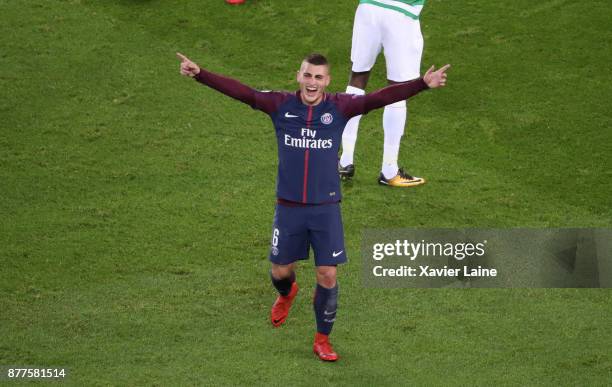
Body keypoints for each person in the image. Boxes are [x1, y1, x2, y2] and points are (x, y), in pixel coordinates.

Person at [177, 52, 449, 361]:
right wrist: (201, 74)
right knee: (280, 272)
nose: (312, 82)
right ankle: (287, 293)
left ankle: (322, 339)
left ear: (327, 81)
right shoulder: (280, 105)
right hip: (289, 208)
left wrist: (422, 84)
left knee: (327, 275)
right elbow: (244, 93)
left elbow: (379, 97)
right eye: (308, 75)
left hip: (325, 209)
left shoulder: (340, 107)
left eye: (318, 77)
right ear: (299, 76)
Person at [339, 0, 429, 187]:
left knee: (357, 78)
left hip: (368, 8)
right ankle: (389, 171)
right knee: (398, 90)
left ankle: (344, 160)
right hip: (401, 14)